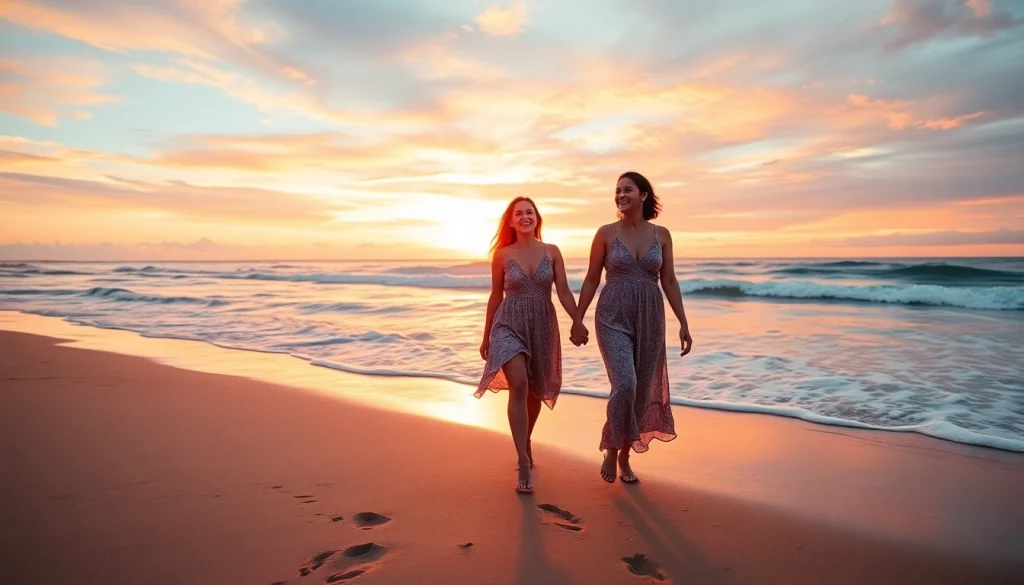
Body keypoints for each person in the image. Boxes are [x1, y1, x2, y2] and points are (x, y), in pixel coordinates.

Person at [575, 171, 693, 484]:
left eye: (627, 190)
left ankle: (626, 456)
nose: (620, 195)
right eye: (617, 191)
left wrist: (683, 322)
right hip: (612, 315)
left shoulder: (662, 234)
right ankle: (611, 449)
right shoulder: (605, 233)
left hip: (651, 317)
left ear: (643, 195)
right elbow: (590, 279)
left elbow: (668, 280)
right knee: (625, 383)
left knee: (641, 392)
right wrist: (577, 317)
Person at [476, 197, 589, 494]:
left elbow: (563, 290)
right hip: (509, 323)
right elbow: (495, 296)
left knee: (536, 390)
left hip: (542, 324)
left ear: (537, 218)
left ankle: (525, 438)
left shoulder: (552, 252)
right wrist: (487, 335)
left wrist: (577, 320)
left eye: (530, 212)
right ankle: (523, 461)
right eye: (519, 213)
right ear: (511, 221)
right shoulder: (502, 255)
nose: (525, 216)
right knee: (521, 384)